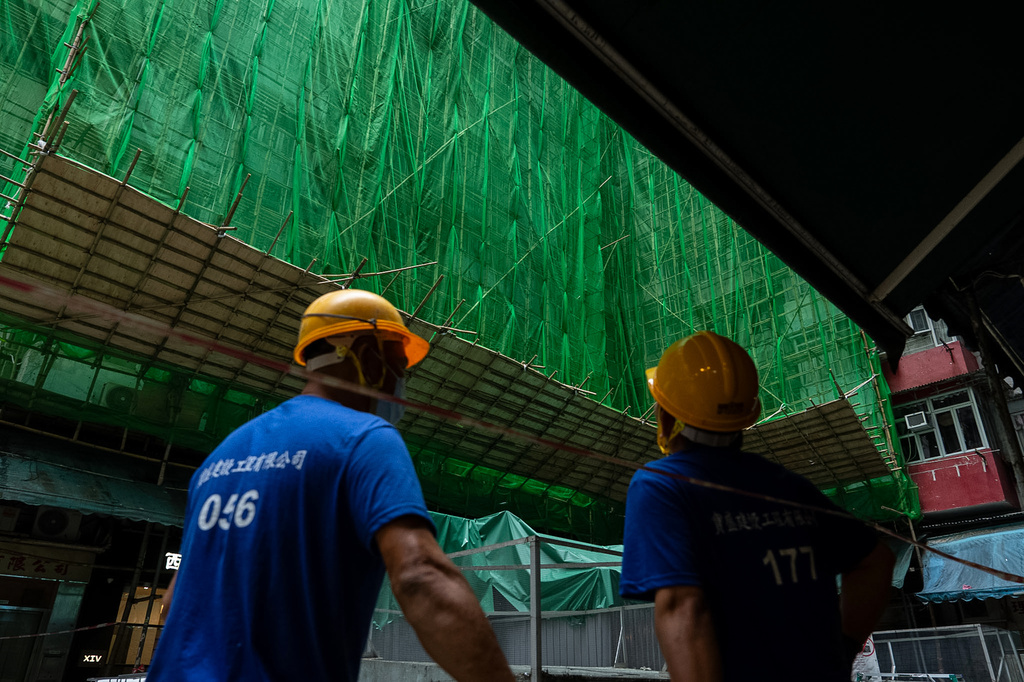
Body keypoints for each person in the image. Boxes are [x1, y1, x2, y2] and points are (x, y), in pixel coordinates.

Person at [147, 289, 515, 682]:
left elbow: (172, 604)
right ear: (369, 360)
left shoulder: (218, 460)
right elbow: (419, 576)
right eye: (398, 367)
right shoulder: (364, 438)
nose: (401, 385)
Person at [620, 331, 895, 681]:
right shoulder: (790, 486)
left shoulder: (660, 485)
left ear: (667, 413)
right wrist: (842, 648)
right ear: (748, 414)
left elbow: (681, 606)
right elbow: (876, 560)